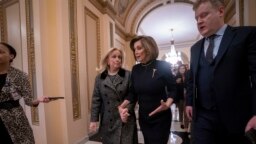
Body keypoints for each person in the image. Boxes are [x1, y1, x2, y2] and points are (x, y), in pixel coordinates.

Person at [185, 0, 256, 144]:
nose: (199, 21)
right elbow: (192, 79)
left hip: (236, 118)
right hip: (203, 118)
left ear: (221, 12)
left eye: (204, 15)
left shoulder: (245, 35)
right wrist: (189, 103)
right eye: (197, 18)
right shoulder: (195, 48)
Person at [118, 35, 176, 144]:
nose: (136, 52)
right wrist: (121, 106)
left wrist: (167, 104)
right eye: (134, 49)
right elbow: (133, 93)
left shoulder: (163, 65)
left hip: (161, 117)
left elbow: (173, 89)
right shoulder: (136, 69)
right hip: (144, 117)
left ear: (149, 48)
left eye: (139, 48)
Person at [0, 42, 50, 144]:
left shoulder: (20, 76)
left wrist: (38, 100)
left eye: (0, 52)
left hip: (14, 118)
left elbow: (29, 101)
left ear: (11, 56)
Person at [89, 47, 138, 144]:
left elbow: (133, 96)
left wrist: (126, 110)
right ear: (107, 60)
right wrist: (93, 120)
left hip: (125, 118)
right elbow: (96, 100)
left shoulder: (128, 75)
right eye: (114, 57)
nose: (117, 59)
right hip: (108, 121)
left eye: (119, 57)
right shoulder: (99, 78)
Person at [175, 64, 189, 130]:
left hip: (187, 97)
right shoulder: (177, 76)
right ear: (179, 69)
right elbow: (173, 87)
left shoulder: (188, 76)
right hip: (180, 97)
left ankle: (186, 127)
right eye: (180, 68)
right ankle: (181, 122)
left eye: (183, 68)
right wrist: (176, 83)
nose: (182, 69)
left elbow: (190, 85)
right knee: (181, 111)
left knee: (186, 113)